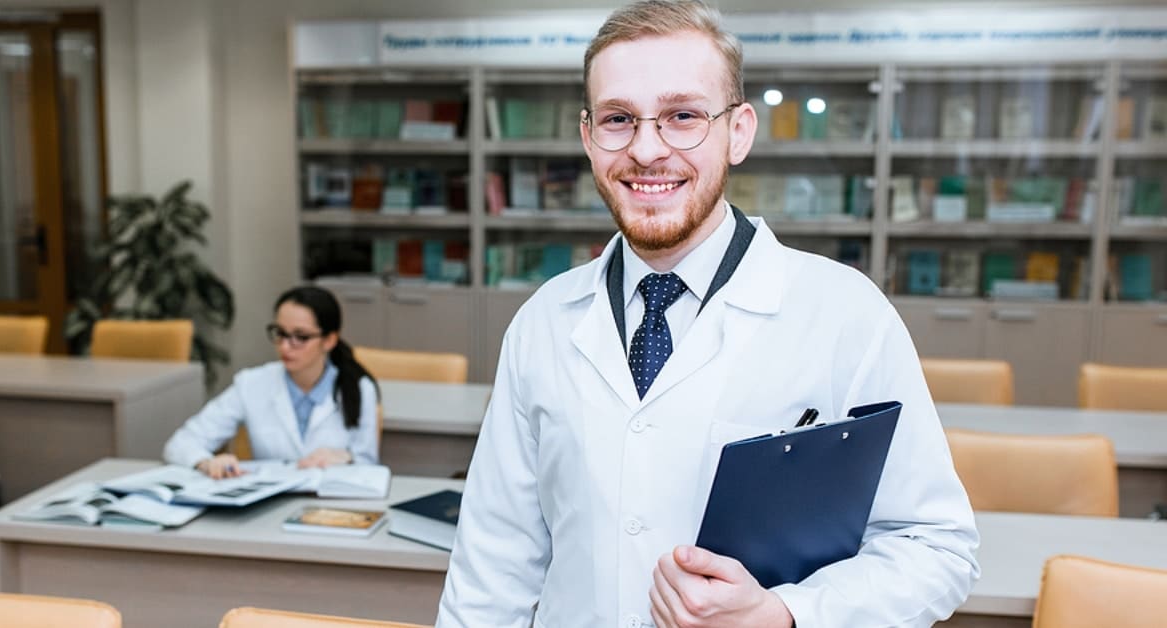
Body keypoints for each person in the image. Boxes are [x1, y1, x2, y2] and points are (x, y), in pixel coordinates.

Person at [437, 1, 979, 626]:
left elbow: (934, 546)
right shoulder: (544, 321)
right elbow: (492, 568)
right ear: (588, 137)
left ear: (739, 131)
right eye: (618, 119)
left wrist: (785, 614)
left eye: (683, 116)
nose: (646, 150)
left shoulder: (845, 314)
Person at [163, 285, 379, 478]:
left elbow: (369, 466)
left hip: (330, 508)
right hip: (266, 508)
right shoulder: (252, 383)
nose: (285, 346)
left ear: (329, 340)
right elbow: (182, 443)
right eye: (280, 333)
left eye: (300, 337)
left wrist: (346, 458)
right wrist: (207, 462)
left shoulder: (359, 389)